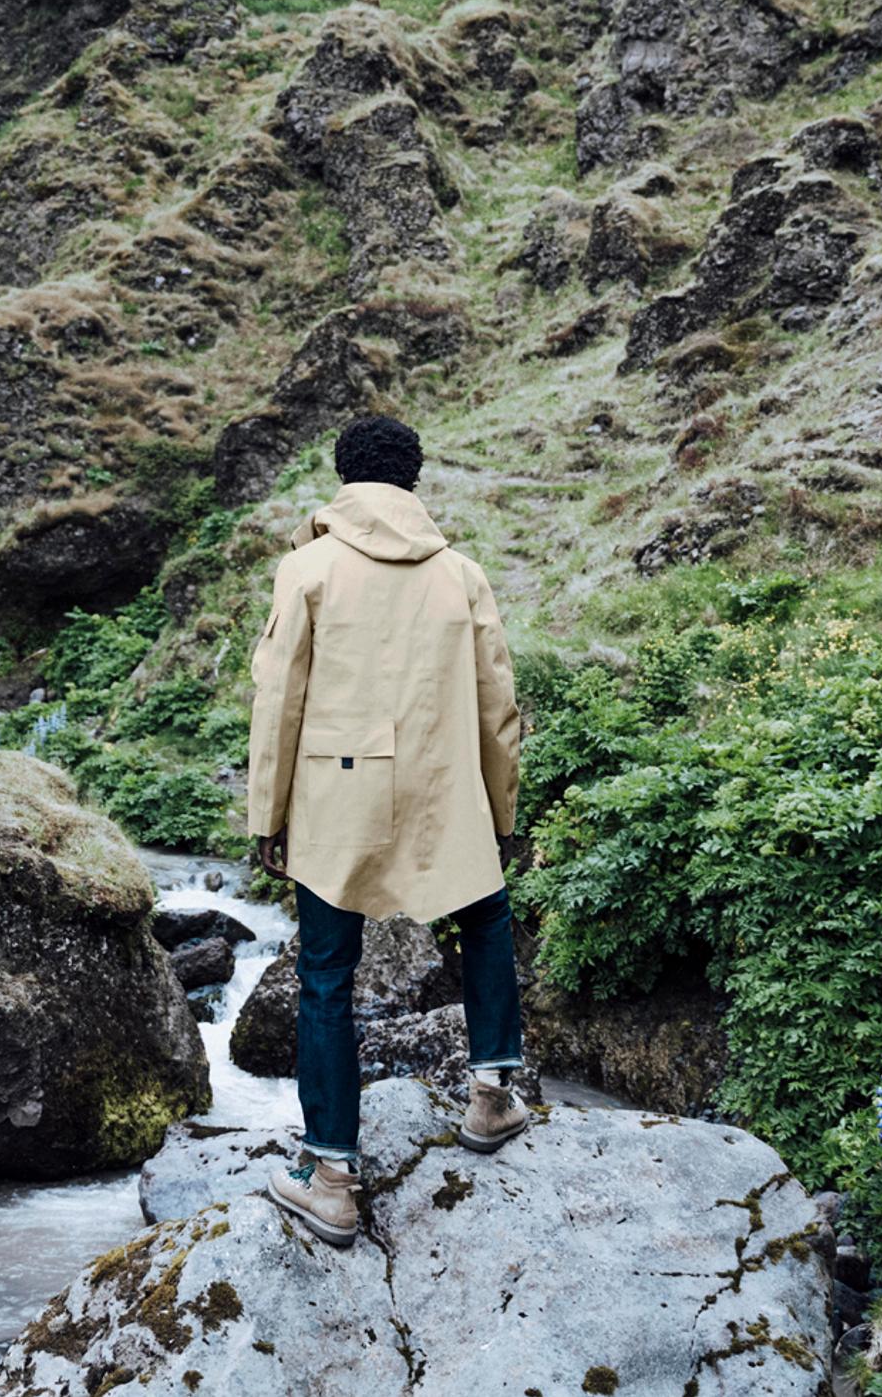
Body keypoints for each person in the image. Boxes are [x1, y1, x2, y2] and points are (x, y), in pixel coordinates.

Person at [246, 414, 526, 1249]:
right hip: (448, 790)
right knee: (486, 922)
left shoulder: (308, 568)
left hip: (338, 799)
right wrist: (500, 813)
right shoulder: (462, 575)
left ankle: (331, 1175)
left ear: (344, 478)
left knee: (327, 974)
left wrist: (268, 816)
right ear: (413, 480)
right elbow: (497, 708)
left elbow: (278, 701)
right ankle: (490, 1095)